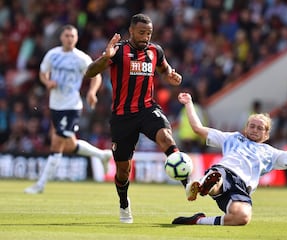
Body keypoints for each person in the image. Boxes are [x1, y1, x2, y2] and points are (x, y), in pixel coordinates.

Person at [172, 92, 287, 226]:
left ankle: (199, 220)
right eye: (252, 126)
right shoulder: (232, 138)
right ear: (246, 127)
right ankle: (205, 185)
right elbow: (197, 129)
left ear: (266, 134)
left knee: (242, 218)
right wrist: (188, 103)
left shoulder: (271, 153)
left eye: (260, 128)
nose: (255, 130)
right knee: (218, 177)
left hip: (241, 187)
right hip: (225, 172)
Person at [84, 13, 183, 224]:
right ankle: (124, 203)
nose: (146, 37)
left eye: (149, 33)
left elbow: (165, 70)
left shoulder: (156, 51)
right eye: (141, 33)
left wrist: (172, 77)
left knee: (166, 137)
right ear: (131, 31)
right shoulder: (118, 50)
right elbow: (90, 73)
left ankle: (186, 178)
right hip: (122, 117)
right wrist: (106, 57)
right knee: (123, 170)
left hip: (147, 109)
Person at [24, 25, 112, 194]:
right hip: (55, 106)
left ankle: (40, 185)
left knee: (56, 142)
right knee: (70, 145)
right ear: (61, 37)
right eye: (67, 35)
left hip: (72, 106)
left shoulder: (81, 58)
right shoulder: (53, 54)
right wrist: (47, 82)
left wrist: (92, 93)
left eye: (72, 36)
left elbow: (97, 76)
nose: (69, 38)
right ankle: (102, 155)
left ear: (76, 38)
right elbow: (43, 73)